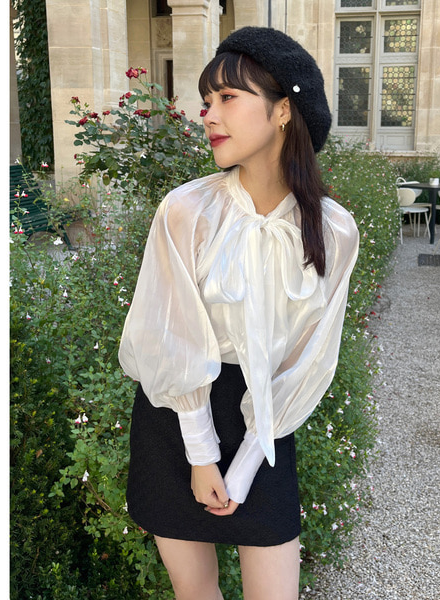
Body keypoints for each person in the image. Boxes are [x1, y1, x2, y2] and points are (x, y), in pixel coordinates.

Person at [118, 26, 360, 600]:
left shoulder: (333, 231)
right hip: (179, 415)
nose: (208, 115)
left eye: (228, 97)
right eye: (207, 100)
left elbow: (307, 358)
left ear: (283, 110)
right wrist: (203, 456)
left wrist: (247, 461)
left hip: (269, 420)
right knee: (196, 593)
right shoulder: (186, 211)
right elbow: (169, 338)